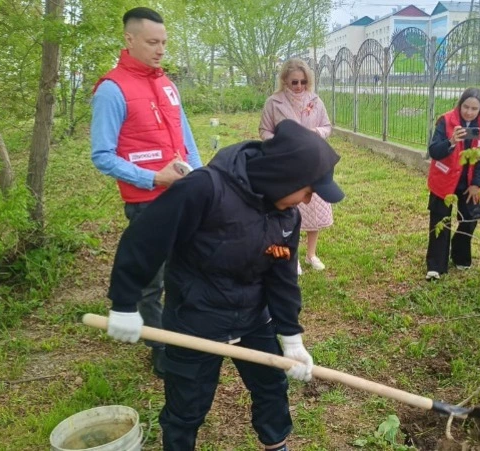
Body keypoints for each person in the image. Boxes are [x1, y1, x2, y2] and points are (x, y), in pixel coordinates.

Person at [103, 119, 344, 451]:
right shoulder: (204, 189)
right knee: (187, 404)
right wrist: (125, 303)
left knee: (271, 388)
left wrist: (291, 338)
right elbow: (144, 241)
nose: (306, 201)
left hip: (253, 317)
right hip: (195, 318)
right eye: (308, 191)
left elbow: (282, 278)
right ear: (284, 175)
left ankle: (276, 446)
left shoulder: (286, 216)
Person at [90, 7, 203, 378]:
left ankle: (184, 333)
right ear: (130, 39)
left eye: (164, 43)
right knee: (150, 280)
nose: (160, 50)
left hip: (183, 198)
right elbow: (102, 156)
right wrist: (153, 178)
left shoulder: (168, 85)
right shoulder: (112, 89)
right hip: (147, 203)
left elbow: (186, 140)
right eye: (153, 42)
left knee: (185, 271)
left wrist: (202, 181)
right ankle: (160, 346)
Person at [260, 58, 333, 275]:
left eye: (303, 82)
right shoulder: (274, 103)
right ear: (284, 81)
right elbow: (264, 130)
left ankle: (311, 254)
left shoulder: (316, 100)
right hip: (286, 164)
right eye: (294, 82)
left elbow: (327, 127)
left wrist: (315, 133)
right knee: (291, 211)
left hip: (312, 162)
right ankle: (294, 256)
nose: (299, 86)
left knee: (313, 210)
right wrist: (277, 143)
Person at [425, 87, 480, 281]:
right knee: (440, 220)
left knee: (470, 219)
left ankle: (460, 255)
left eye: (474, 109)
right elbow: (434, 151)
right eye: (466, 107)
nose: (469, 112)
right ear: (459, 104)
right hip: (444, 181)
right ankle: (436, 266)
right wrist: (451, 141)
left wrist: (477, 184)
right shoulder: (446, 121)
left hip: (468, 183)